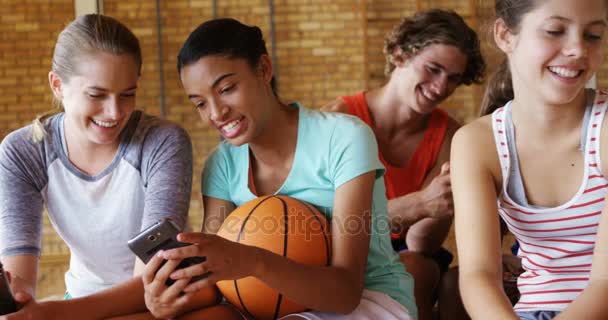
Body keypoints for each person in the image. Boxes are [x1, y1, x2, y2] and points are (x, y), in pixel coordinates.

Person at [141, 18, 417, 320]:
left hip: (367, 298)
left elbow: (346, 292)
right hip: (264, 304)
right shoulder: (221, 165)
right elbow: (216, 280)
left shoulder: (344, 137)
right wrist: (165, 299)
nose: (216, 113)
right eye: (200, 104)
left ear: (263, 69)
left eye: (227, 89)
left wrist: (255, 261)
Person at [0, 14, 213, 319]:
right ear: (58, 85)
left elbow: (152, 282)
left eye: (128, 94)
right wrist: (15, 302)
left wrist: (57, 314)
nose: (114, 112)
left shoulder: (163, 142)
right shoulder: (23, 152)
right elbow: (19, 283)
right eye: (97, 95)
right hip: (80, 299)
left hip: (158, 303)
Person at [322, 9, 485, 320]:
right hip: (338, 248)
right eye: (433, 69)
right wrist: (420, 203)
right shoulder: (339, 120)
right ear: (399, 54)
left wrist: (440, 205)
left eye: (453, 78)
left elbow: (420, 243)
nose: (440, 88)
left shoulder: (450, 135)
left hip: (408, 257)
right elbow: (324, 223)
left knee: (412, 269)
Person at [451, 0, 608, 319]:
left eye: (593, 35)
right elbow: (478, 275)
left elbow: (604, 284)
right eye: (555, 30)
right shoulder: (476, 143)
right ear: (506, 35)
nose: (578, 48)